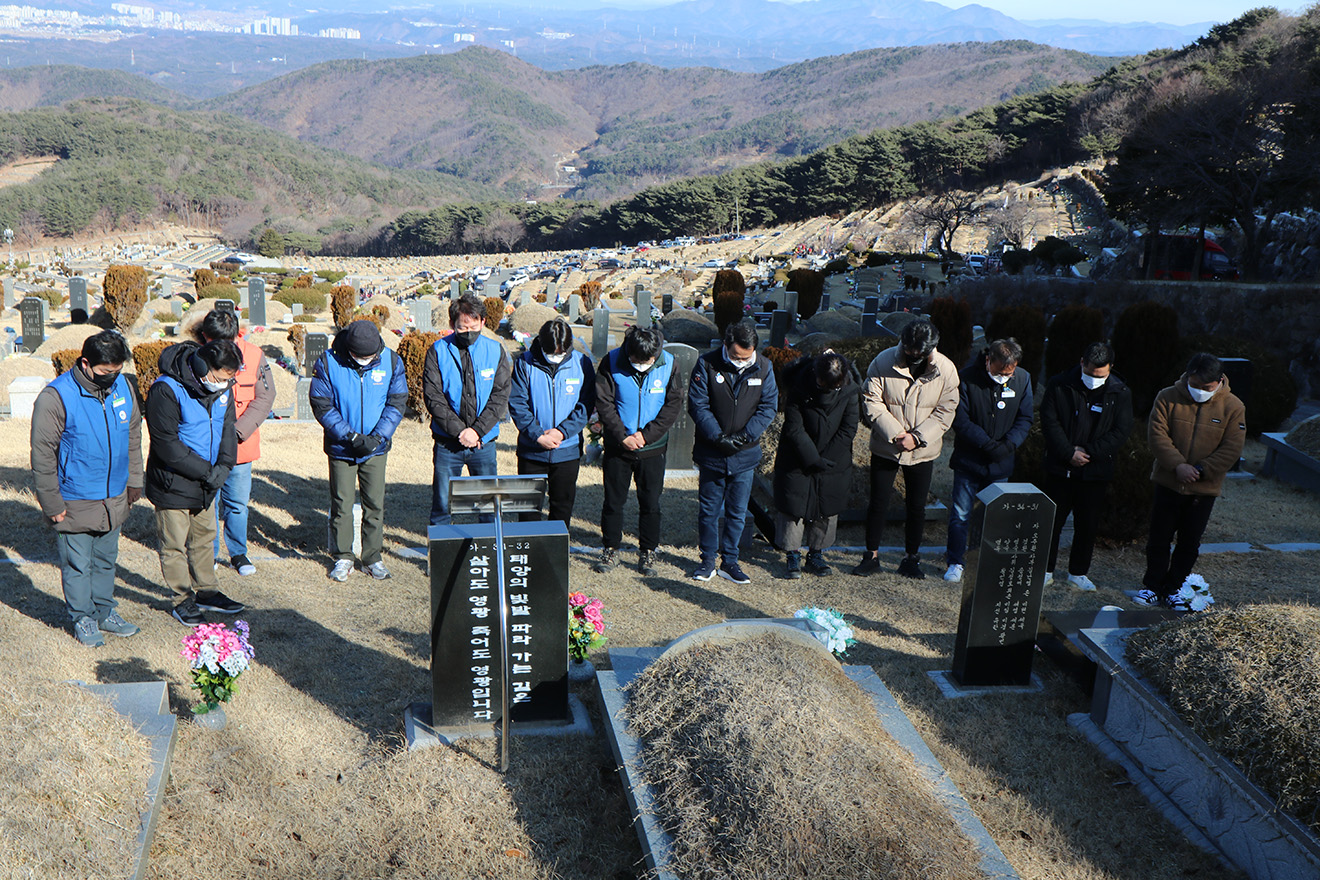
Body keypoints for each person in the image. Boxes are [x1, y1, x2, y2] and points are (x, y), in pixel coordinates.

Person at [30, 330, 143, 646]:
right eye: (106, 371)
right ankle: (83, 617)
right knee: (78, 565)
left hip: (114, 495)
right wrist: (52, 503)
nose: (113, 377)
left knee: (106, 560)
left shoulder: (122, 386)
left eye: (118, 370)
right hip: (75, 497)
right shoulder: (56, 397)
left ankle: (105, 611)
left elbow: (133, 434)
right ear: (85, 363)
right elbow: (42, 454)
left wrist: (134, 479)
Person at [145, 338, 245, 626]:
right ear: (202, 367)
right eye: (220, 378)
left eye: (229, 379)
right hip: (173, 482)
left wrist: (224, 465)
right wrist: (207, 472)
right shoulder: (165, 389)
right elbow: (166, 444)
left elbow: (228, 428)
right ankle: (182, 599)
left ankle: (207, 591)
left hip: (207, 480)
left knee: (204, 538)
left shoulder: (223, 387)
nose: (224, 384)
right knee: (174, 544)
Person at [1138, 353, 1246, 606]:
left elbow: (1232, 447)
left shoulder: (1233, 407)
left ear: (1219, 381)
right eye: (1194, 385)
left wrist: (1200, 469)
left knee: (1189, 542)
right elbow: (1157, 434)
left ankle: (1175, 587)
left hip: (1203, 489)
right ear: (1187, 377)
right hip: (1168, 481)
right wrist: (1178, 465)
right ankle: (1152, 585)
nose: (1199, 391)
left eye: (1206, 387)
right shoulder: (1167, 396)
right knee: (1158, 538)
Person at [855, 318, 959, 579]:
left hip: (922, 450)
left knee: (916, 505)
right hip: (886, 446)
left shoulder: (946, 370)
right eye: (909, 349)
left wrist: (917, 438)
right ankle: (871, 556)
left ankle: (911, 558)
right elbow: (871, 400)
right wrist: (896, 434)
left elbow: (946, 410)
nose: (912, 355)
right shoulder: (883, 361)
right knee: (878, 502)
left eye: (918, 352)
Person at [310, 320, 408, 582]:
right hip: (341, 447)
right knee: (341, 503)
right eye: (359, 357)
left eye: (370, 357)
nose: (365, 361)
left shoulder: (391, 361)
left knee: (374, 503)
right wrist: (350, 436)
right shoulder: (328, 362)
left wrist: (377, 437)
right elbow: (321, 404)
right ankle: (343, 556)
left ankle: (372, 557)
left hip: (376, 448)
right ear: (349, 349)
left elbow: (397, 402)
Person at [688, 319, 779, 583]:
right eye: (737, 357)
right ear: (726, 345)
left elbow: (768, 407)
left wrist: (744, 437)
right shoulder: (707, 364)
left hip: (744, 453)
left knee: (737, 511)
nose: (741, 362)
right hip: (712, 452)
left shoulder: (763, 367)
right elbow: (698, 405)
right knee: (709, 510)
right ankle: (707, 560)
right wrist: (717, 437)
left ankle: (730, 561)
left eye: (746, 357)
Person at [1039, 342, 1134, 591]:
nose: (1094, 379)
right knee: (1052, 522)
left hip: (1095, 470)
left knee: (1088, 525)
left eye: (1100, 375)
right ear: (1082, 362)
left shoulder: (1120, 392)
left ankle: (1078, 572)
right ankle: (1045, 570)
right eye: (1090, 373)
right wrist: (1069, 452)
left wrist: (1090, 452)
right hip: (1061, 467)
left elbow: (1121, 430)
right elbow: (1049, 421)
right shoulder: (1060, 384)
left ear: (1110, 368)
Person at [593, 324, 684, 575]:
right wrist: (622, 436)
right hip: (618, 447)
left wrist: (646, 435)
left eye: (648, 361)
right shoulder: (611, 361)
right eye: (637, 360)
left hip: (652, 447)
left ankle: (648, 551)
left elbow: (673, 404)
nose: (643, 364)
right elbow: (604, 401)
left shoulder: (670, 364)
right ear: (629, 352)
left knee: (651, 503)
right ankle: (610, 548)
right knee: (613, 501)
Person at [943, 339, 1033, 583]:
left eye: (1009, 373)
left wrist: (1008, 445)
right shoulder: (967, 378)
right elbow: (961, 420)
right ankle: (955, 561)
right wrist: (987, 444)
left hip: (1001, 462)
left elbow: (1025, 418)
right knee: (961, 514)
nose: (1004, 377)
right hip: (969, 460)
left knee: (992, 516)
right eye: (999, 372)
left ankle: (983, 560)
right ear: (988, 360)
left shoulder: (1023, 379)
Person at [195, 308, 275, 577]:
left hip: (241, 444)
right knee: (207, 502)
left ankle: (238, 553)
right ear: (205, 336)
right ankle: (209, 553)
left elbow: (265, 397)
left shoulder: (254, 355)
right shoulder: (195, 354)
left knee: (237, 504)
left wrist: (238, 432)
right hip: (206, 445)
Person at [423, 295, 511, 526]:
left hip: (483, 443)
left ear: (483, 322)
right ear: (452, 324)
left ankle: (489, 543)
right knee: (442, 503)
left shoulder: (495, 350)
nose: (468, 332)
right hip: (447, 442)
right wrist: (459, 431)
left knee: (488, 504)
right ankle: (442, 544)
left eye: (473, 327)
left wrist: (477, 431)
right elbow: (434, 397)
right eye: (462, 328)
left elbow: (500, 395)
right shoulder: (438, 351)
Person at [772, 351, 859, 579]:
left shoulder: (850, 390)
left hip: (834, 458)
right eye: (822, 383)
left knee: (826, 506)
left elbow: (849, 427)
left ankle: (816, 553)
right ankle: (792, 553)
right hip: (797, 455)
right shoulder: (799, 384)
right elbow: (794, 427)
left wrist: (825, 459)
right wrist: (812, 458)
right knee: (793, 505)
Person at [508, 318, 596, 526]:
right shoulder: (525, 362)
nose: (555, 357)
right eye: (551, 353)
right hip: (532, 450)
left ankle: (556, 545)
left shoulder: (582, 364)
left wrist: (561, 432)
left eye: (560, 353)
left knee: (562, 507)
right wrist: (538, 435)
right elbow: (518, 403)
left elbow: (586, 403)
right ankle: (529, 544)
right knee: (528, 508)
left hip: (567, 450)